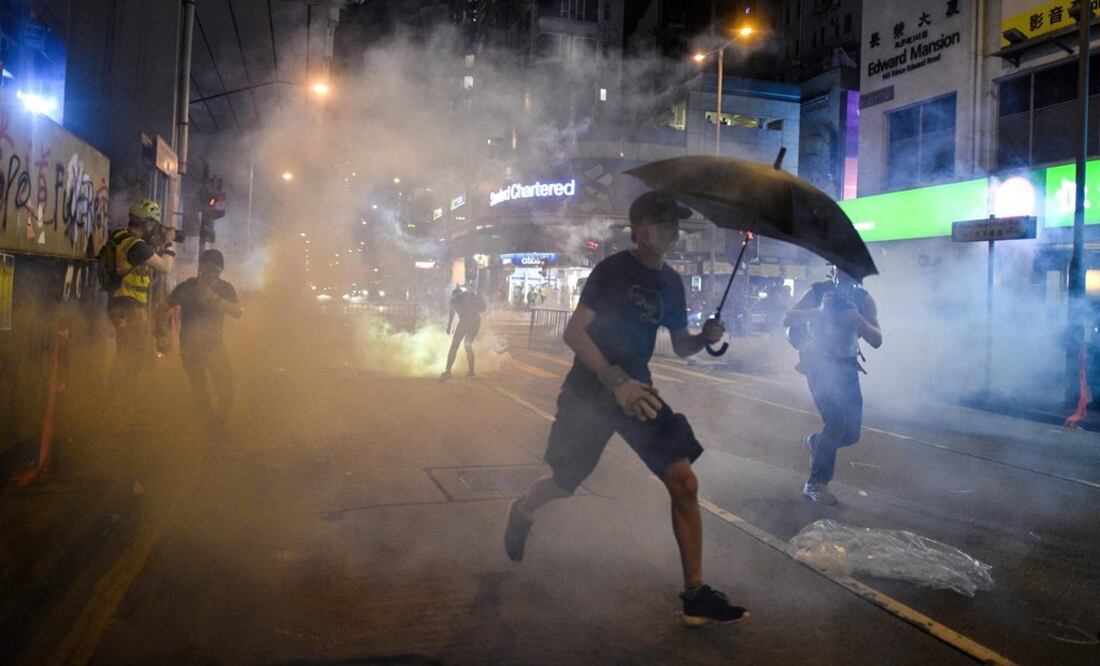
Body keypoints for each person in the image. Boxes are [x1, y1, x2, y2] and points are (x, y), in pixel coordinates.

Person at [503, 191, 748, 627]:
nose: (669, 231)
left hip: (639, 395)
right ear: (637, 227)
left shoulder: (671, 282)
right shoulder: (612, 271)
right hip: (590, 392)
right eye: (661, 222)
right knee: (563, 482)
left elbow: (680, 345)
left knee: (683, 481)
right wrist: (614, 381)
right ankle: (523, 509)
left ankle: (695, 594)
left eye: (674, 224)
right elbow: (575, 334)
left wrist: (705, 337)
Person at [784, 267, 882, 505]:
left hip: (847, 368)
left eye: (850, 272)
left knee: (851, 433)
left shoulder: (863, 299)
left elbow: (877, 340)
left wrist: (859, 321)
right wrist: (818, 312)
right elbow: (788, 317)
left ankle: (817, 443)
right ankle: (816, 484)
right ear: (834, 271)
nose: (844, 276)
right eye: (840, 270)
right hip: (819, 365)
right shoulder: (819, 292)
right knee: (836, 422)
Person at [164, 249, 243, 429]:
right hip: (191, 347)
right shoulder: (187, 287)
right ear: (201, 268)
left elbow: (238, 312)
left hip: (212, 345)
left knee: (225, 386)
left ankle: (218, 422)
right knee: (201, 389)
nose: (210, 274)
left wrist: (214, 299)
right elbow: (163, 308)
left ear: (220, 270)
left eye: (215, 270)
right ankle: (209, 426)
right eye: (207, 269)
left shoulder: (224, 288)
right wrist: (162, 333)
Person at [106, 199, 177, 389]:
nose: (155, 231)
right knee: (135, 354)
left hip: (119, 303)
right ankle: (122, 394)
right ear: (147, 223)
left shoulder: (120, 237)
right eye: (154, 225)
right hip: (131, 306)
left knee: (125, 350)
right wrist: (169, 243)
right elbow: (165, 267)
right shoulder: (136, 246)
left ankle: (118, 393)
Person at [440, 284, 486, 380]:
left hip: (472, 322)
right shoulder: (459, 300)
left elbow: (482, 307)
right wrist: (449, 326)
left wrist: (449, 326)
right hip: (468, 322)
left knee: (465, 345)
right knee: (463, 345)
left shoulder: (463, 299)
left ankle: (458, 371)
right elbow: (452, 313)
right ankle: (454, 371)